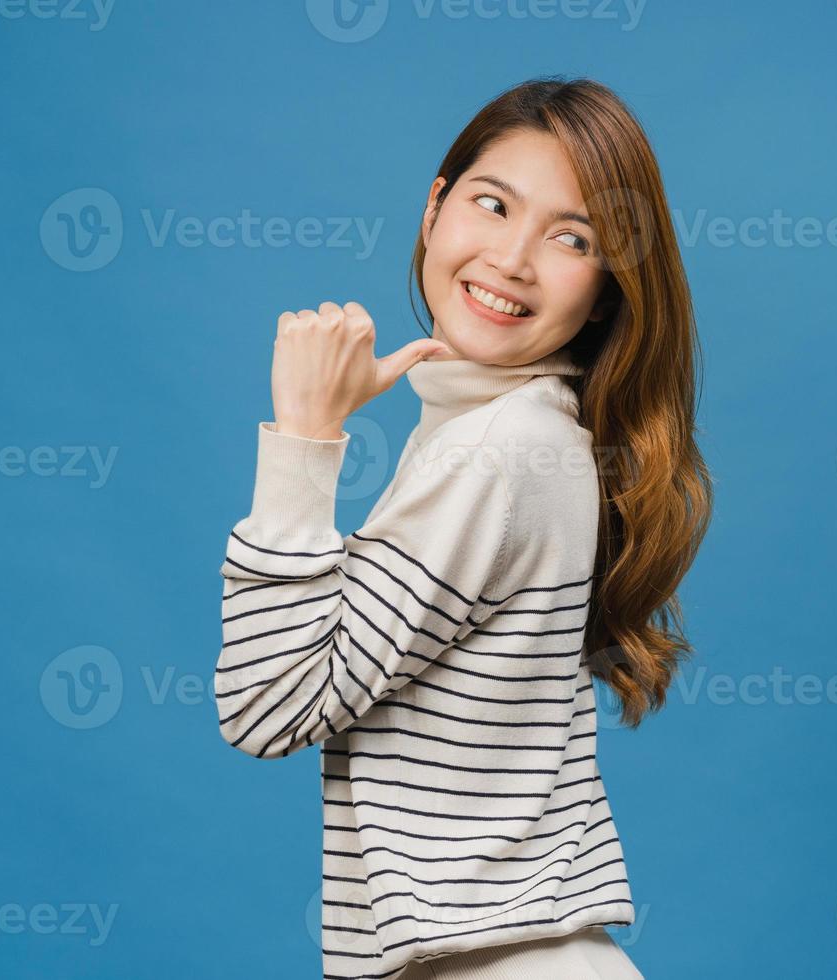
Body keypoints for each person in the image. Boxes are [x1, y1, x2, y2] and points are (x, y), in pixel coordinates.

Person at [212, 77, 712, 979]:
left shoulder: (498, 452)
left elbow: (269, 703)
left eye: (572, 238)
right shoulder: (523, 434)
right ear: (435, 208)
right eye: (493, 204)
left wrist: (303, 437)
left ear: (604, 290)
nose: (514, 258)